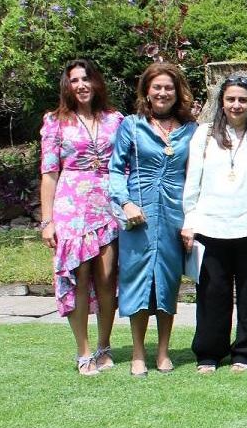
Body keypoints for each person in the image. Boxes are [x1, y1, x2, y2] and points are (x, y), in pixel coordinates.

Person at [182, 76, 247, 374]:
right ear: (222, 102)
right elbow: (192, 181)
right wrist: (190, 220)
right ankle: (209, 353)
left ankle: (244, 351)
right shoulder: (204, 135)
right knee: (213, 294)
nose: (236, 105)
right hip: (212, 226)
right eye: (231, 99)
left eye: (243, 100)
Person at [109, 62, 197, 377]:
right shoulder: (131, 126)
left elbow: (196, 176)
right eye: (157, 87)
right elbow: (116, 169)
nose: (162, 93)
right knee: (137, 283)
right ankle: (137, 352)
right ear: (147, 90)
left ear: (178, 92)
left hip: (174, 215)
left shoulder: (191, 130)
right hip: (139, 216)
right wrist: (126, 202)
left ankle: (163, 351)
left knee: (168, 283)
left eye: (168, 88)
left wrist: (193, 219)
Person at [39, 60, 123, 376]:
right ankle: (83, 351)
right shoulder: (55, 121)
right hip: (70, 206)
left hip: (107, 204)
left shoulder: (115, 120)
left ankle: (104, 346)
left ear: (97, 82)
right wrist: (47, 221)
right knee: (78, 277)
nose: (81, 85)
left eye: (86, 78)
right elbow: (48, 174)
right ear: (67, 86)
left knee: (106, 277)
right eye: (74, 80)